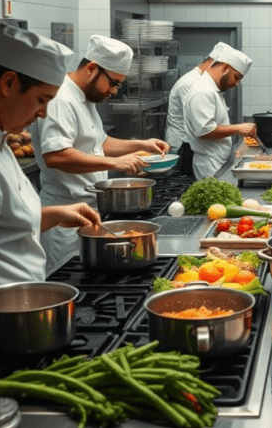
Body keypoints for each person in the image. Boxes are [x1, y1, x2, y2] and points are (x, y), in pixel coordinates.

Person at [0, 24, 101, 290]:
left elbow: (3, 230)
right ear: (8, 83)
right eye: (42, 100)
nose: (43, 113)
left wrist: (54, 214)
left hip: (22, 307)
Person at [33, 35, 170, 274]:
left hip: (87, 210)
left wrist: (142, 144)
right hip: (62, 217)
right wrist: (115, 162)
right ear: (91, 68)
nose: (115, 91)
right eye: (114, 83)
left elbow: (100, 143)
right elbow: (56, 156)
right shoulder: (61, 99)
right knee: (67, 280)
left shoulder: (84, 99)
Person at [183, 44, 256, 178]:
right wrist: (238, 128)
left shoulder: (212, 90)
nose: (236, 83)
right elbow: (204, 131)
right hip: (210, 165)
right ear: (225, 68)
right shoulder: (202, 91)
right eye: (237, 77)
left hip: (217, 161)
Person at [165, 42, 226, 176]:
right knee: (186, 186)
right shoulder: (191, 84)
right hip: (184, 145)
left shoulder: (201, 82)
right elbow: (200, 122)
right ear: (211, 64)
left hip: (189, 143)